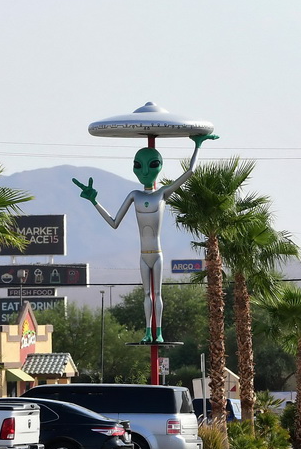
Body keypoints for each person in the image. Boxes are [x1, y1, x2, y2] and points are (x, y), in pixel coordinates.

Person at [73, 133, 217, 343]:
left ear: (159, 166)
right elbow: (114, 222)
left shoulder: (162, 194)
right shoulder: (135, 195)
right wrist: (94, 201)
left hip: (157, 254)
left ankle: (159, 333)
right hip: (143, 255)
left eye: (152, 165)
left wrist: (197, 146)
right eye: (138, 165)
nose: (145, 171)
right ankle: (148, 332)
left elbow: (190, 172)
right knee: (146, 294)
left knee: (157, 293)